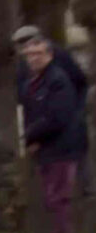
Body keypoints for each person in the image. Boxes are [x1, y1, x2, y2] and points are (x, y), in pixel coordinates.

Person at [18, 39, 81, 233]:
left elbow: (58, 117)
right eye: (29, 55)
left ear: (49, 55)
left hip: (61, 147)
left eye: (38, 53)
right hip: (43, 149)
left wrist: (33, 135)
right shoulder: (30, 84)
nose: (33, 58)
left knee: (59, 197)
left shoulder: (57, 81)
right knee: (49, 197)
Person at [13, 25, 93, 197]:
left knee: (72, 167)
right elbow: (22, 96)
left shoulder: (58, 60)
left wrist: (77, 109)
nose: (27, 52)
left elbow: (79, 81)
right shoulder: (23, 66)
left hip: (64, 120)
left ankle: (86, 192)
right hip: (42, 127)